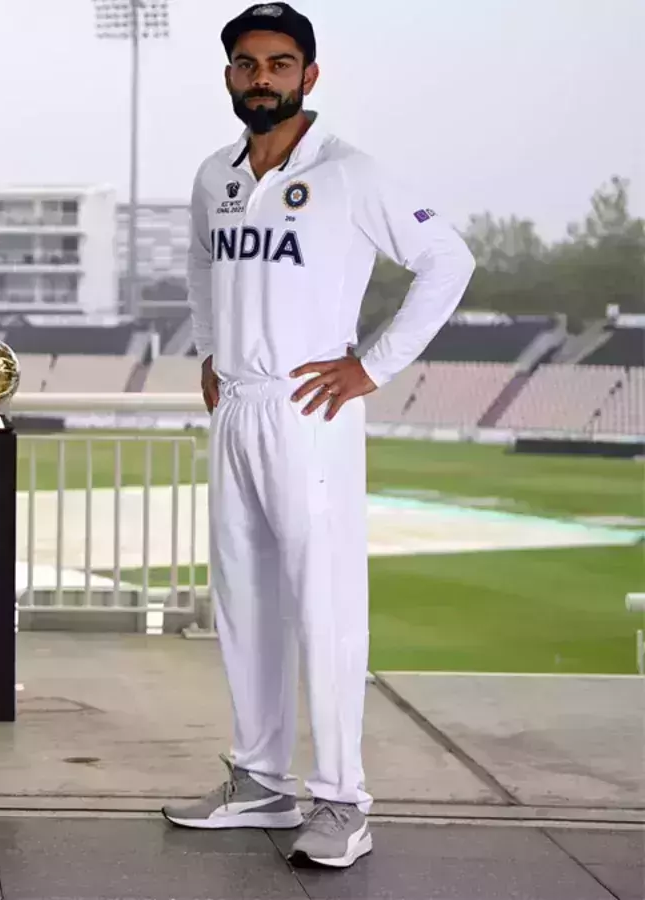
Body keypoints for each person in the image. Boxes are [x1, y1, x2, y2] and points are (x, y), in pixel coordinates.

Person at [159, 2, 476, 870]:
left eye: (279, 63)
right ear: (229, 75)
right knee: (245, 601)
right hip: (238, 404)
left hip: (311, 408)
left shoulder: (349, 172)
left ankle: (342, 801)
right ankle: (261, 782)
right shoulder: (215, 175)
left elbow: (448, 259)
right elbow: (200, 261)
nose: (262, 78)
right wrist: (210, 349)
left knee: (324, 605)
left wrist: (372, 366)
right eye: (248, 63)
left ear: (309, 74)